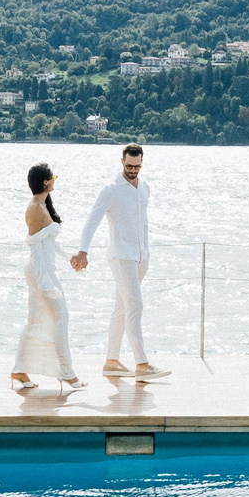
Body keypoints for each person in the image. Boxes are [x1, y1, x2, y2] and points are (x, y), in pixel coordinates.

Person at [74, 143, 168, 379]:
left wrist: (146, 251)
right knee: (135, 305)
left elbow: (143, 222)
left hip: (139, 258)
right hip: (120, 256)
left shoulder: (145, 187)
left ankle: (112, 361)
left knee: (121, 309)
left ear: (141, 163)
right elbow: (91, 220)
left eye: (137, 166)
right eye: (129, 166)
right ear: (122, 162)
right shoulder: (111, 190)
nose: (133, 170)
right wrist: (83, 251)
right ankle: (142, 365)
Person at [10, 161, 86, 394]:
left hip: (44, 269)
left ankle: (20, 370)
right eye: (52, 176)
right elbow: (35, 249)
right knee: (61, 317)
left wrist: (68, 257)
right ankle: (67, 373)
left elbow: (49, 242)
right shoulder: (34, 207)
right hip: (40, 271)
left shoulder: (43, 205)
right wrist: (45, 282)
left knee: (35, 320)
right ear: (45, 182)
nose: (54, 179)